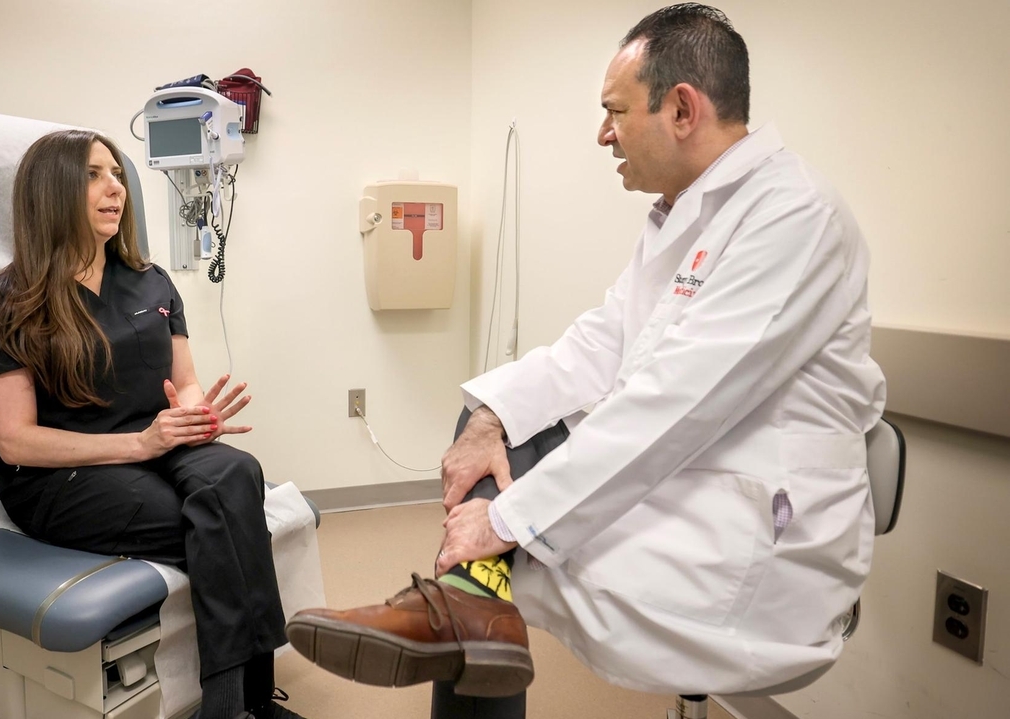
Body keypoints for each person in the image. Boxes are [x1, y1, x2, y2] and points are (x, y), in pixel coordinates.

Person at [285, 4, 886, 716]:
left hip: (758, 533)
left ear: (683, 109)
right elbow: (601, 343)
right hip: (686, 477)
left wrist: (506, 521)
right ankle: (468, 605)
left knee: (493, 564)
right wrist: (487, 417)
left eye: (616, 111)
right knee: (499, 432)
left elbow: (674, 403)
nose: (604, 133)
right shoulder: (684, 216)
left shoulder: (793, 216)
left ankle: (464, 602)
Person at [0, 129, 303, 719]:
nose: (114, 188)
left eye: (118, 175)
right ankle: (238, 704)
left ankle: (236, 704)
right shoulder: (10, 300)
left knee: (236, 474)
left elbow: (187, 379)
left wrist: (197, 415)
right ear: (52, 192)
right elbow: (13, 438)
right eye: (95, 175)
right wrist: (140, 442)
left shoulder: (150, 280)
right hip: (64, 474)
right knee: (220, 519)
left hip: (160, 441)